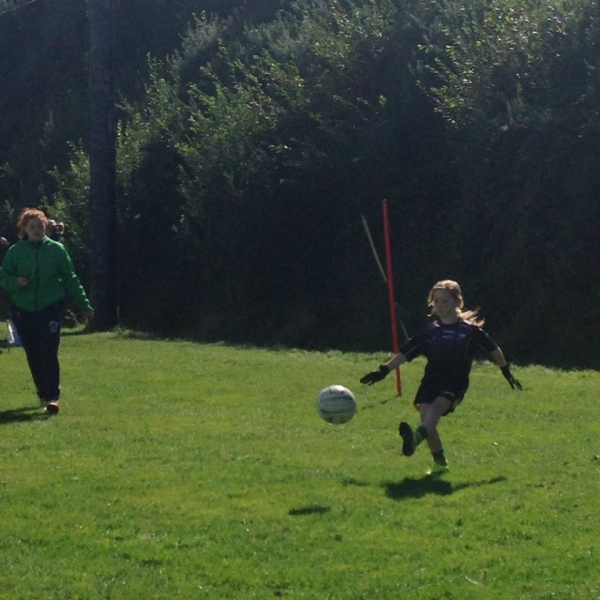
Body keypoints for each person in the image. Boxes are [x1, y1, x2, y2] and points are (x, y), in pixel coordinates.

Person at [360, 279, 521, 476]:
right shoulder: (431, 331)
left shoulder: (469, 331)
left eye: (445, 301)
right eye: (436, 301)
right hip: (431, 381)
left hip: (455, 382)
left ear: (457, 302)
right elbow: (405, 353)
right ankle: (440, 463)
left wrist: (506, 371)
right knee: (427, 420)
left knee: (435, 409)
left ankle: (414, 439)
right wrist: (383, 371)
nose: (441, 306)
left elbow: (494, 349)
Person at [0, 208, 93, 415]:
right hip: (23, 309)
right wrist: (16, 282)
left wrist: (84, 305)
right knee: (33, 353)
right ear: (24, 229)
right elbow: (4, 277)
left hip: (50, 307)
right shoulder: (15, 251)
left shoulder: (57, 250)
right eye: (32, 226)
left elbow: (71, 279)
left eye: (40, 226)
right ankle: (42, 392)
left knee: (49, 351)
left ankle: (52, 397)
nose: (37, 230)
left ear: (46, 227)